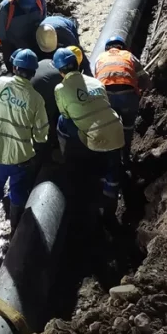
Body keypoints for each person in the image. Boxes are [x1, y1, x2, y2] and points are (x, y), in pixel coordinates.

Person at [0, 48, 49, 246]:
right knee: (18, 193)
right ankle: (14, 234)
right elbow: (41, 135)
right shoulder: (36, 99)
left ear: (14, 67)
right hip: (21, 158)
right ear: (33, 73)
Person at [52, 47, 125, 221]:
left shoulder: (60, 88)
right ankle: (111, 204)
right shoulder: (96, 81)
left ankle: (69, 158)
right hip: (117, 130)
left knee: (63, 121)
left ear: (60, 70)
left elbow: (67, 116)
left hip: (94, 139)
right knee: (113, 166)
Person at [94, 36, 148, 163]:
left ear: (107, 48)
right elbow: (145, 80)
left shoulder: (99, 58)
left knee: (109, 127)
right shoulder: (129, 56)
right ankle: (125, 156)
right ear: (123, 47)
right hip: (128, 96)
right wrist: (140, 90)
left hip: (106, 97)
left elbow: (95, 80)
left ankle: (111, 159)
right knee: (128, 127)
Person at [0, 0, 47, 70]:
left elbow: (43, 21)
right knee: (13, 69)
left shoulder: (40, 1)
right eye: (25, 6)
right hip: (13, 45)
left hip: (33, 41)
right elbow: (0, 32)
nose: (27, 9)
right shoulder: (6, 6)